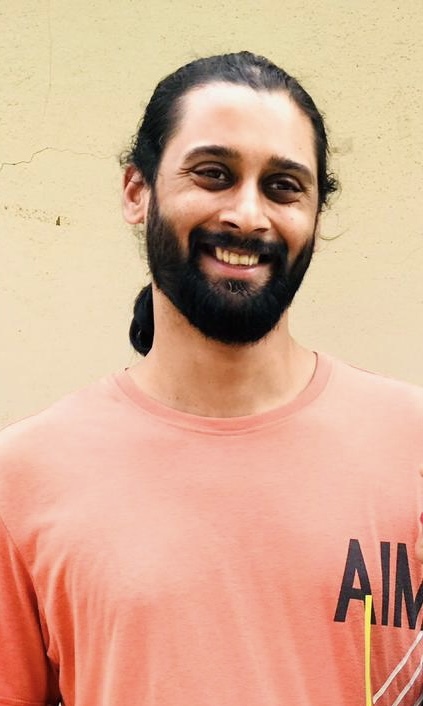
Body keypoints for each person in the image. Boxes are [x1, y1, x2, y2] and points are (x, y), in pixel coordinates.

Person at [0, 50, 422, 706]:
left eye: (283, 186)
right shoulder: (23, 475)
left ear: (315, 214)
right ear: (137, 192)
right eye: (214, 175)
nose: (248, 215)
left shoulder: (411, 446)